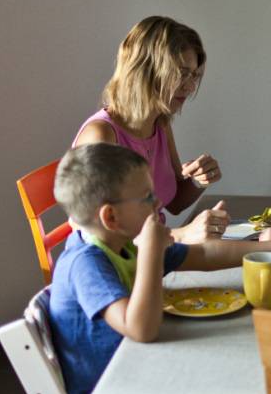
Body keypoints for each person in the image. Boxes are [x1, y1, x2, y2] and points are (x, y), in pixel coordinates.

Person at [48, 143, 271, 394]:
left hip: (139, 369)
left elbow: (204, 255)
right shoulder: (86, 264)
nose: (157, 203)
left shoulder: (122, 243)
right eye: (147, 197)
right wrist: (152, 252)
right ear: (111, 216)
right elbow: (141, 329)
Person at [74, 15, 229, 244]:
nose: (190, 86)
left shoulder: (160, 124)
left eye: (194, 75)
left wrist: (198, 180)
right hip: (120, 271)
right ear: (144, 70)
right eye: (181, 73)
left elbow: (174, 203)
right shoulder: (101, 135)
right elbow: (100, 236)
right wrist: (183, 234)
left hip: (156, 255)